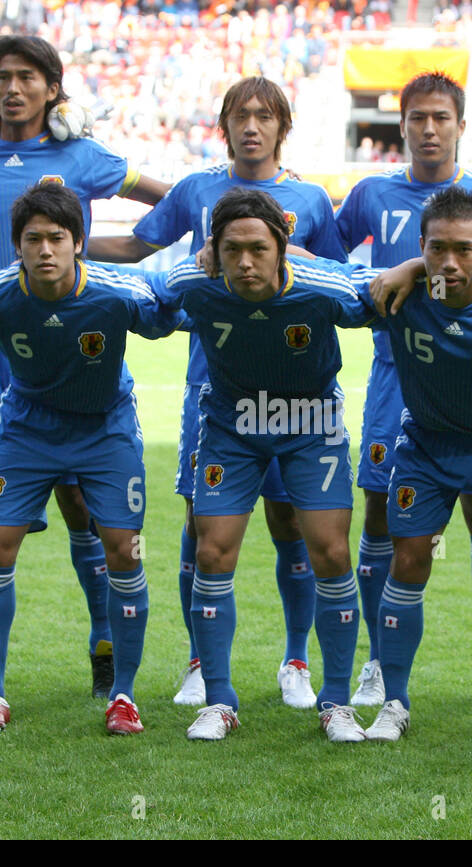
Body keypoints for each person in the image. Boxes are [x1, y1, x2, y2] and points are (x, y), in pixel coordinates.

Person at [87, 76, 347, 711]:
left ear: (283, 128)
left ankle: (295, 659)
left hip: (295, 392)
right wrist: (64, 243)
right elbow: (134, 246)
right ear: (224, 126)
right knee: (201, 524)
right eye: (240, 116)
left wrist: (288, 257)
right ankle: (202, 664)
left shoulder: (308, 199)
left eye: (264, 116)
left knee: (293, 521)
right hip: (216, 388)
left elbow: (337, 279)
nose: (252, 126)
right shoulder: (197, 190)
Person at [0, 35, 169, 700]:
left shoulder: (81, 156)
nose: (13, 87)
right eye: (3, 76)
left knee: (79, 502)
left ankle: (103, 644)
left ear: (52, 88)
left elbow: (168, 201)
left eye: (28, 77)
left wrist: (115, 254)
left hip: (71, 342)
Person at [335, 70, 472, 713]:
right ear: (402, 125)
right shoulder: (369, 193)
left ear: (460, 127)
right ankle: (375, 662)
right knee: (378, 512)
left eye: (440, 118)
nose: (428, 128)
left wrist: (421, 264)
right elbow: (332, 266)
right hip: (399, 373)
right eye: (416, 117)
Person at [0, 183, 181, 735]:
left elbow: (174, 306)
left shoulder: (115, 292)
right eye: (34, 239)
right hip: (27, 428)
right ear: (18, 246)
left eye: (58, 237)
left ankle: (123, 694)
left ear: (79, 242)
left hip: (105, 429)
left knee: (123, 548)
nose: (46, 250)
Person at [148, 188, 368, 742]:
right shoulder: (192, 282)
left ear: (282, 248)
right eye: (232, 249)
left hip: (311, 420)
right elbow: (149, 301)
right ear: (213, 250)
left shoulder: (321, 287)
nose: (245, 263)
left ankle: (336, 702)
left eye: (259, 249)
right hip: (231, 423)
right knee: (211, 549)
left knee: (332, 551)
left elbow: (380, 292)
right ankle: (219, 700)